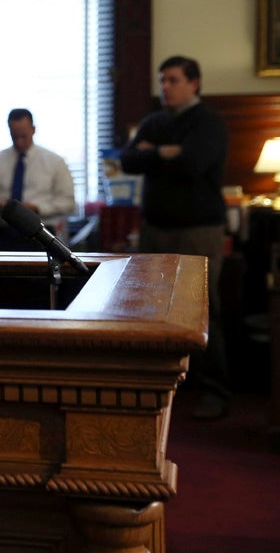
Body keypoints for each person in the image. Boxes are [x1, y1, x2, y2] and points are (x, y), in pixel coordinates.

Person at [120, 55, 229, 420]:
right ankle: (159, 386)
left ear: (194, 83)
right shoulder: (154, 121)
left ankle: (213, 390)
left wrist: (158, 153)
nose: (165, 86)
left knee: (202, 309)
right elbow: (129, 160)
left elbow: (193, 163)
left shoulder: (208, 122)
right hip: (155, 229)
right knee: (153, 310)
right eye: (162, 80)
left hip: (197, 231)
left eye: (173, 80)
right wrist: (163, 154)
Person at [0, 108, 76, 251]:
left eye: (23, 136)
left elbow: (68, 203)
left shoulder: (55, 162)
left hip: (41, 236)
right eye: (15, 137)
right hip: (3, 236)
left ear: (33, 130)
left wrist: (37, 209)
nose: (19, 142)